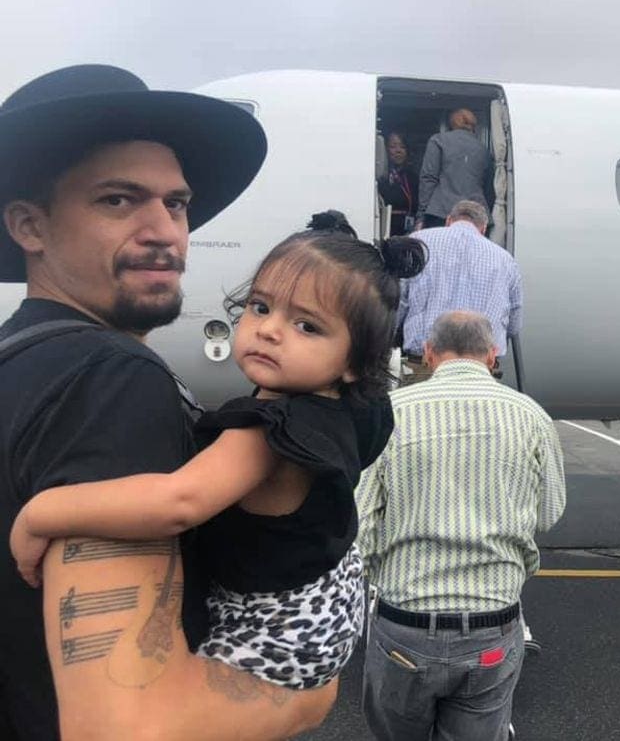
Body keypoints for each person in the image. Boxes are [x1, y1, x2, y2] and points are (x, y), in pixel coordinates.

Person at [0, 63, 323, 740]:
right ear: (30, 226)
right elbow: (130, 727)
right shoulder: (110, 378)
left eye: (175, 204)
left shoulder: (20, 362)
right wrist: (312, 691)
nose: (165, 231)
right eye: (118, 201)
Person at [11, 214, 428, 693]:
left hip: (275, 628)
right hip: (331, 600)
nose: (270, 330)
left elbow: (177, 503)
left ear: (355, 363)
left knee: (149, 700)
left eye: (307, 326)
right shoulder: (356, 405)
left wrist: (42, 513)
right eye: (260, 306)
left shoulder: (267, 432)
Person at [355, 310, 566, 741]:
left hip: (404, 624)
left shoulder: (391, 412)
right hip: (493, 625)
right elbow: (549, 513)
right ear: (492, 355)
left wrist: (379, 569)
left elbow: (357, 522)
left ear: (430, 353)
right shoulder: (531, 417)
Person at [399, 200, 522, 384]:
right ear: (483, 228)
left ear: (449, 220)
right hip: (482, 371)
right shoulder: (505, 260)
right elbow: (514, 325)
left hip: (426, 367)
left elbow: (398, 302)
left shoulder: (418, 243)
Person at [416, 108, 493, 229]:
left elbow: (428, 179)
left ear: (451, 123)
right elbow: (489, 189)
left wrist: (421, 217)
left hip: (441, 213)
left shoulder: (438, 140)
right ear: (473, 126)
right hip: (475, 216)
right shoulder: (484, 150)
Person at [377, 132, 419, 235]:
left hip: (407, 230)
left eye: (402, 147)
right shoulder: (380, 176)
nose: (398, 151)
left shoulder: (412, 177)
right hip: (385, 228)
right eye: (393, 146)